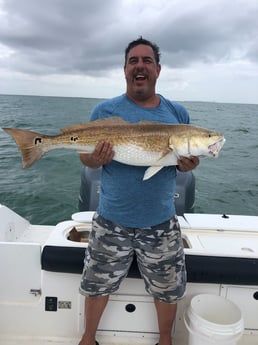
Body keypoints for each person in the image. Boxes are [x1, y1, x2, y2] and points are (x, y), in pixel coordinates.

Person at [78, 37, 199, 345]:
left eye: (147, 61)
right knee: (96, 287)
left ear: (158, 69)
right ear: (125, 70)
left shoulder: (177, 113)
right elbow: (86, 156)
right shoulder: (105, 110)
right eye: (134, 61)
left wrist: (188, 165)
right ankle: (88, 339)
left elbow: (182, 159)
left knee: (168, 290)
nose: (140, 66)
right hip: (110, 220)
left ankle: (165, 340)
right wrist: (95, 158)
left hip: (160, 221)